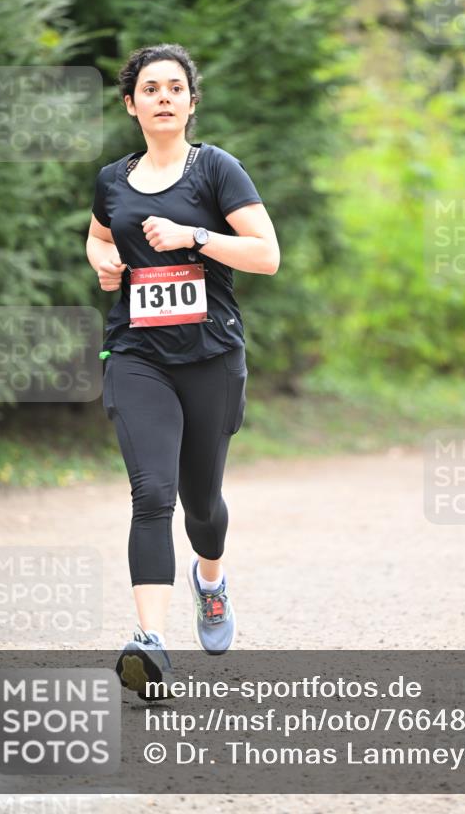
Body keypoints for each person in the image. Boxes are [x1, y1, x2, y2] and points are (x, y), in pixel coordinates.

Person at [86, 43, 279, 697]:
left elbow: (265, 254)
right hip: (138, 354)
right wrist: (102, 263)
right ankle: (150, 643)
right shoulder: (112, 179)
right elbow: (99, 234)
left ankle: (211, 580)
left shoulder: (215, 169)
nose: (163, 97)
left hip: (210, 358)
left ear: (191, 103)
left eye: (175, 87)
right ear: (131, 103)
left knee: (201, 505)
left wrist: (194, 236)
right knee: (151, 495)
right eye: (151, 88)